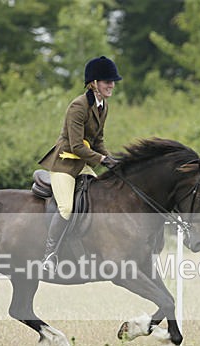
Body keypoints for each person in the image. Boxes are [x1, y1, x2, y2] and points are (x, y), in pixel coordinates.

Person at [37, 55, 122, 267]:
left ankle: (85, 246)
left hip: (83, 164)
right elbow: (76, 146)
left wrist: (113, 161)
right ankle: (50, 253)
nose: (111, 85)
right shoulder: (78, 106)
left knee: (98, 198)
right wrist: (102, 159)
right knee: (66, 207)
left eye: (112, 81)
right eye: (106, 81)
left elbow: (98, 140)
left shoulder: (103, 106)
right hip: (64, 164)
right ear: (94, 83)